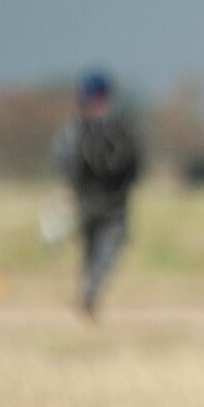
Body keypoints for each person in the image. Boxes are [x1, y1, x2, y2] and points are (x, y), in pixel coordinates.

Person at [52, 70, 146, 317]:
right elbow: (136, 165)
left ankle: (87, 288)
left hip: (85, 201)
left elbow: (62, 162)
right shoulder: (122, 127)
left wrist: (68, 190)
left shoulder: (76, 129)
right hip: (116, 202)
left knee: (89, 248)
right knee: (109, 249)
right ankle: (92, 289)